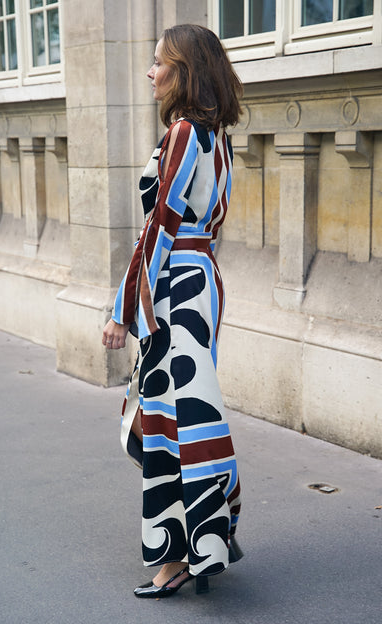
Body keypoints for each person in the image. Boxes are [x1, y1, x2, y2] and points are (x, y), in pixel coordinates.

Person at [102, 23, 243, 599]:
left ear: (183, 71)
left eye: (159, 62)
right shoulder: (216, 137)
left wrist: (122, 311)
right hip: (195, 283)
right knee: (181, 419)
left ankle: (175, 559)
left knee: (166, 425)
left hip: (176, 290)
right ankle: (203, 542)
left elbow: (158, 228)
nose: (150, 72)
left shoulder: (186, 133)